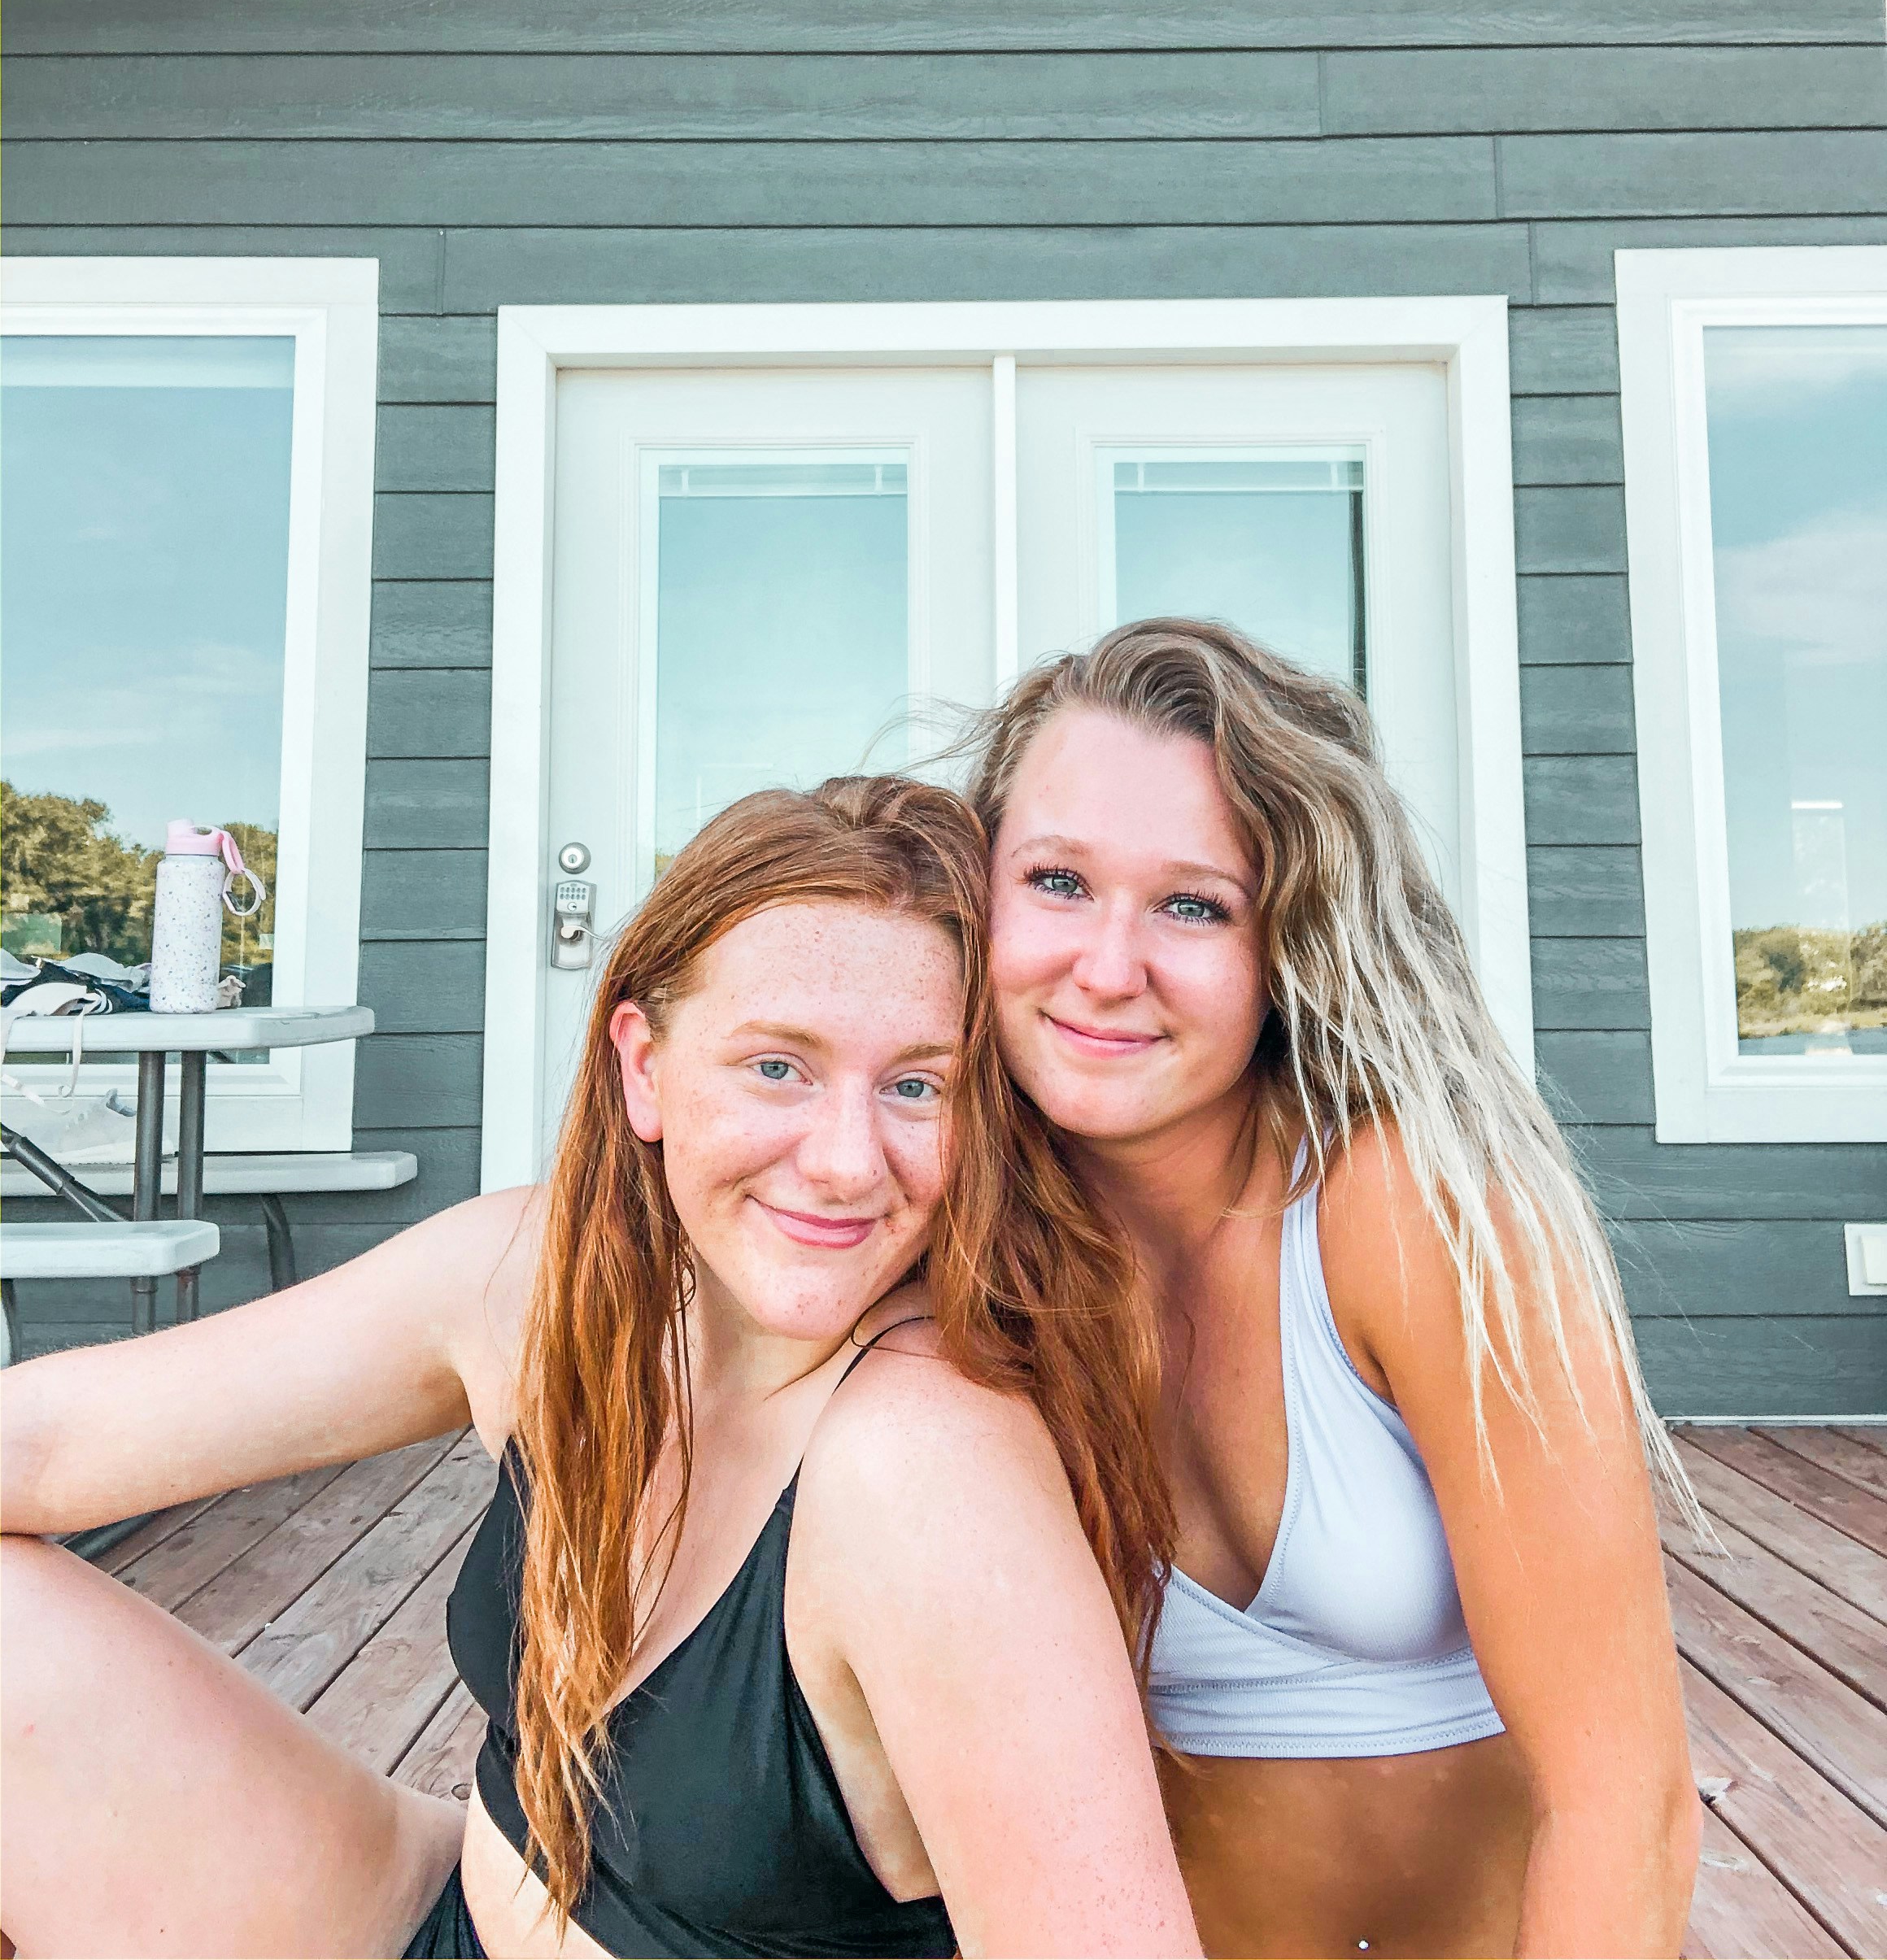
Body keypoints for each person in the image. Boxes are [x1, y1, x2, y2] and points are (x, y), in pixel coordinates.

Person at [1, 777, 1201, 1960]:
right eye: (777, 1066)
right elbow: (49, 1441)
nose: (846, 1161)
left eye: (916, 1086)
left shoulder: (927, 1465)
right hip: (425, 1912)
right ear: (645, 1067)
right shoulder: (541, 1283)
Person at [965, 621, 1702, 1960]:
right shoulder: (968, 1246)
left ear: (1286, 938)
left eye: (1194, 904)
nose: (1108, 965)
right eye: (1059, 881)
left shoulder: (1411, 1209)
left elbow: (1626, 1806)